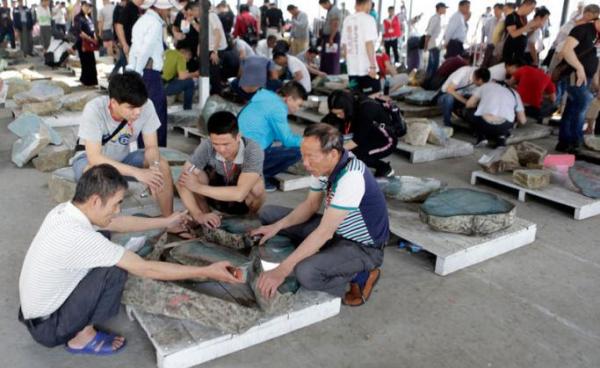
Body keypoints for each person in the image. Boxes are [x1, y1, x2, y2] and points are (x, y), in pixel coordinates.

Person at [18, 164, 241, 354]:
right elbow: (145, 269)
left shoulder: (66, 212)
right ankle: (82, 338)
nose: (117, 210)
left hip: (37, 312)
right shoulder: (80, 237)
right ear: (95, 201)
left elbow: (116, 223)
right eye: (116, 203)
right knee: (114, 270)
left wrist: (165, 222)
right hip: (49, 327)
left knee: (104, 232)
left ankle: (78, 321)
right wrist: (207, 271)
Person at [251, 123, 388, 306]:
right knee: (269, 214)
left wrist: (281, 270)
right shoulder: (322, 167)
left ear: (332, 154)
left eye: (310, 157)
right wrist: (276, 227)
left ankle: (361, 275)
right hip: (335, 231)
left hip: (363, 247)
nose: (305, 163)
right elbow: (310, 205)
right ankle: (319, 253)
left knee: (306, 273)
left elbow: (324, 232)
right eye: (303, 155)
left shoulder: (351, 176)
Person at [72, 72, 189, 236]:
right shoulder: (94, 109)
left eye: (140, 106)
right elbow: (95, 158)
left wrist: (153, 170)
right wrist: (139, 173)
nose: (137, 112)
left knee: (161, 166)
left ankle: (169, 221)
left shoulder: (146, 106)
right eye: (131, 108)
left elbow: (151, 147)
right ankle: (100, 231)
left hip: (123, 159)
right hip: (88, 162)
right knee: (100, 178)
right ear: (113, 103)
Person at [177, 111, 266, 227]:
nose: (221, 149)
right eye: (216, 144)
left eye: (226, 144)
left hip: (241, 201)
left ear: (238, 136)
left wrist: (197, 187)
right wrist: (197, 214)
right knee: (193, 176)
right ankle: (206, 217)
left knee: (257, 187)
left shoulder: (253, 150)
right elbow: (181, 182)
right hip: (215, 196)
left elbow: (239, 194)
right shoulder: (207, 145)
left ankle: (248, 221)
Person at [238, 81, 307, 191]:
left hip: (238, 149)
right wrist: (309, 141)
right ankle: (259, 177)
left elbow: (276, 134)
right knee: (298, 150)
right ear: (289, 99)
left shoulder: (266, 98)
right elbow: (287, 140)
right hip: (247, 157)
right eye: (299, 105)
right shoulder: (278, 109)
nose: (298, 109)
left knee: (280, 144)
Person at [128, 0, 176, 148]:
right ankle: (157, 150)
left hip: (141, 71)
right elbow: (146, 50)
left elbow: (135, 48)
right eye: (168, 9)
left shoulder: (142, 21)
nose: (169, 12)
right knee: (156, 113)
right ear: (160, 9)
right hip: (149, 73)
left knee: (145, 113)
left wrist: (134, 71)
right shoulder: (154, 24)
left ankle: (146, 149)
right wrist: (137, 73)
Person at [325, 90, 396, 177]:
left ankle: (384, 168)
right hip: (368, 136)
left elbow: (357, 141)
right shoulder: (351, 104)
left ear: (347, 108)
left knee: (354, 155)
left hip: (386, 140)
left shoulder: (366, 109)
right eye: (335, 114)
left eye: (340, 113)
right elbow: (327, 122)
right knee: (348, 153)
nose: (338, 116)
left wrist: (336, 152)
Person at [555, 18, 600, 153]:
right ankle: (575, 140)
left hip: (587, 77)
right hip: (573, 74)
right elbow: (566, 50)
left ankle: (564, 142)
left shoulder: (598, 36)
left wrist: (596, 81)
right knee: (583, 102)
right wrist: (579, 68)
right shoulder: (583, 29)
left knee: (572, 107)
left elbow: (596, 59)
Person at [464, 68, 526, 147]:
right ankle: (501, 137)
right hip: (505, 125)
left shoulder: (484, 86)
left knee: (469, 111)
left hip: (484, 124)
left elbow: (468, 104)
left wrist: (479, 106)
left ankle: (481, 138)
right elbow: (523, 120)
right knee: (508, 118)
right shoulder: (514, 93)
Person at [438, 63, 507, 126]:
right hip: (445, 95)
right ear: (479, 80)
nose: (480, 86)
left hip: (460, 96)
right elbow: (449, 90)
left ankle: (471, 123)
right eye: (480, 84)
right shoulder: (464, 72)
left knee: (475, 102)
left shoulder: (479, 76)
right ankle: (447, 124)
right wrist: (465, 101)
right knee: (449, 98)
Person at [341, 0, 380, 95]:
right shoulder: (369, 19)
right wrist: (372, 66)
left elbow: (344, 45)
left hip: (352, 70)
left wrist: (348, 63)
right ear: (367, 3)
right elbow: (369, 43)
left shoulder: (347, 20)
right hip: (367, 69)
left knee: (355, 98)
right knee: (372, 98)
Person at [162, 41, 199, 110]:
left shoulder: (168, 52)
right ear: (183, 51)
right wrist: (195, 74)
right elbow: (182, 76)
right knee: (189, 82)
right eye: (189, 55)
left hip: (156, 84)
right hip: (164, 87)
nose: (189, 59)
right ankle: (187, 109)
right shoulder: (180, 57)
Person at [113, 0, 143, 76]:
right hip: (129, 46)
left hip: (139, 46)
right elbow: (118, 26)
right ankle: (113, 76)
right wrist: (124, 44)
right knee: (128, 70)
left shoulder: (142, 8)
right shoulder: (129, 7)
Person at [72, 1, 98, 86]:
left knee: (91, 62)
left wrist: (94, 38)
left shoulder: (89, 17)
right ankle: (86, 81)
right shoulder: (78, 17)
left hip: (90, 43)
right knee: (86, 62)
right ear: (82, 6)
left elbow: (92, 29)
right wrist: (90, 39)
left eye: (89, 6)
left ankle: (91, 80)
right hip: (82, 42)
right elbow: (79, 32)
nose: (88, 8)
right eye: (86, 6)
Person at [208, 3, 228, 95]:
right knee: (213, 75)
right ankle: (215, 95)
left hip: (217, 49)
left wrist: (214, 52)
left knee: (215, 75)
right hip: (213, 48)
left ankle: (217, 97)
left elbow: (218, 34)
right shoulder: (206, 16)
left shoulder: (211, 16)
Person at [424, 2, 447, 79]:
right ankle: (429, 82)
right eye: (444, 8)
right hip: (433, 45)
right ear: (440, 8)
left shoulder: (439, 18)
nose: (445, 10)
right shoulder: (435, 18)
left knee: (431, 65)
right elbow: (429, 32)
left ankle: (427, 82)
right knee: (433, 65)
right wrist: (425, 45)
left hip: (435, 45)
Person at [319, 0, 341, 75]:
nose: (323, 8)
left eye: (323, 6)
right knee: (325, 58)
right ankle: (325, 74)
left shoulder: (334, 10)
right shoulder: (330, 10)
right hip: (327, 36)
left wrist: (331, 38)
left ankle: (331, 75)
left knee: (331, 59)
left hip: (332, 37)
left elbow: (335, 25)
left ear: (327, 2)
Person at [481, 3, 503, 68]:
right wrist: (483, 41)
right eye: (494, 10)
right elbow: (484, 31)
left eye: (497, 10)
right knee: (485, 63)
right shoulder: (490, 20)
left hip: (498, 47)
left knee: (493, 65)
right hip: (490, 45)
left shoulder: (505, 21)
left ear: (502, 10)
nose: (495, 12)